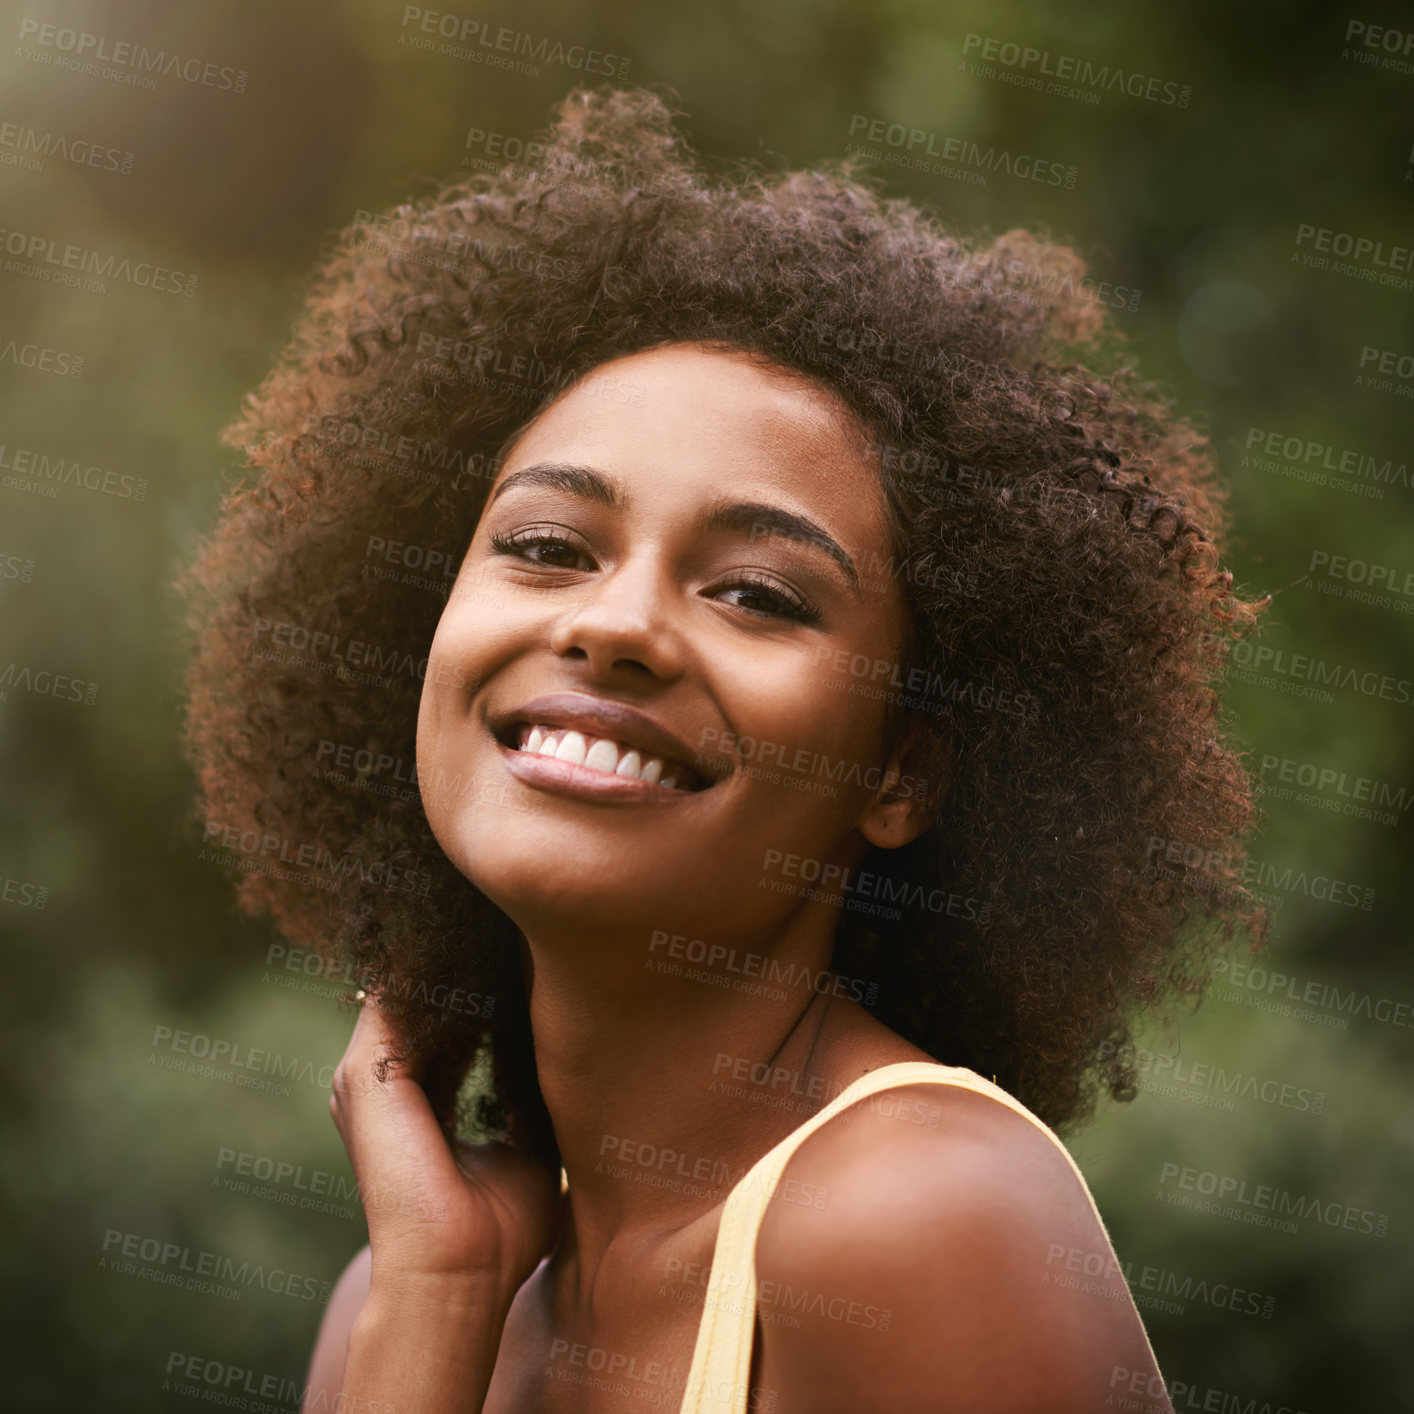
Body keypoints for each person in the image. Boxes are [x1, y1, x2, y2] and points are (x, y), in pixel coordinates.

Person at [178, 84, 1267, 1414]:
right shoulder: (405, 1285)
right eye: (545, 547)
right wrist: (433, 1301)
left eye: (755, 591)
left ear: (899, 773)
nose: (616, 622)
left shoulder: (917, 1218)